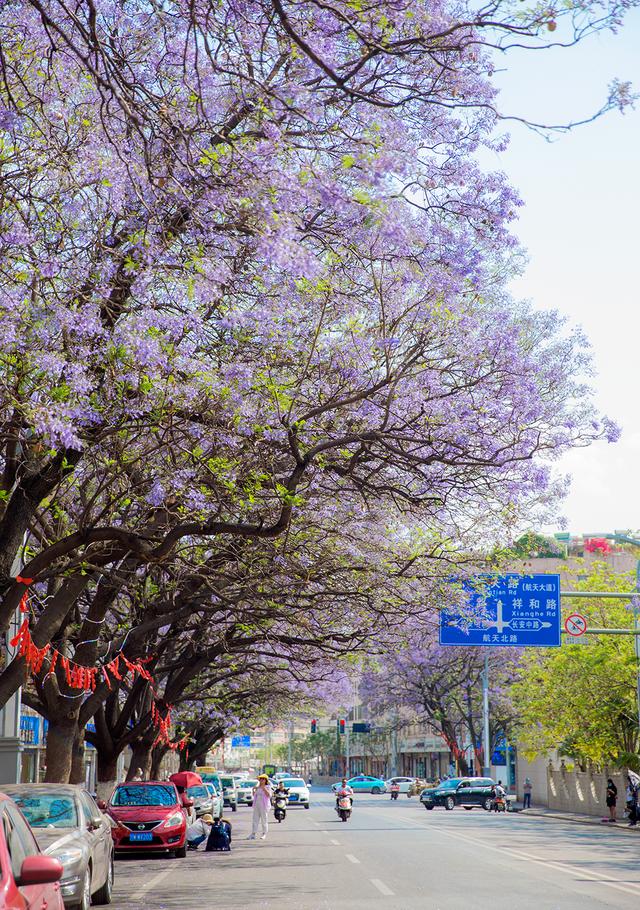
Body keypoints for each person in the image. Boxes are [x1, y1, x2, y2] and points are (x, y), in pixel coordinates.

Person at [248, 775, 272, 840]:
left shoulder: (268, 787)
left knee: (264, 819)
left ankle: (264, 833)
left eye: (263, 779)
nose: (261, 780)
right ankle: (253, 833)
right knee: (255, 819)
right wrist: (254, 790)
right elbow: (254, 795)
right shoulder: (258, 787)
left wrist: (264, 789)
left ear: (265, 780)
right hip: (257, 804)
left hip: (264, 805)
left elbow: (269, 795)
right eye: (260, 779)